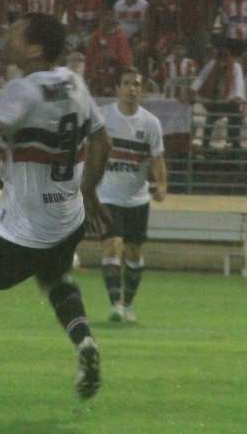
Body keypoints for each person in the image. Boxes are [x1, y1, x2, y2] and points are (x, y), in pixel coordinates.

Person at [0, 12, 112, 412]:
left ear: (34, 48)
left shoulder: (23, 90)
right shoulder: (75, 84)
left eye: (15, 32)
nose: (7, 35)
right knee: (55, 280)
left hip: (24, 226)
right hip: (68, 217)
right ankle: (85, 343)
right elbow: (102, 141)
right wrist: (90, 192)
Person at [98, 68, 166, 323]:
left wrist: (161, 185)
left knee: (133, 253)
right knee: (112, 244)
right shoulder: (103, 117)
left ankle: (128, 304)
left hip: (137, 198)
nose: (132, 89)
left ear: (143, 89)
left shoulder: (151, 123)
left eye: (136, 84)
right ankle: (115, 304)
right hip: (106, 196)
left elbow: (158, 159)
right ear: (117, 88)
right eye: (126, 83)